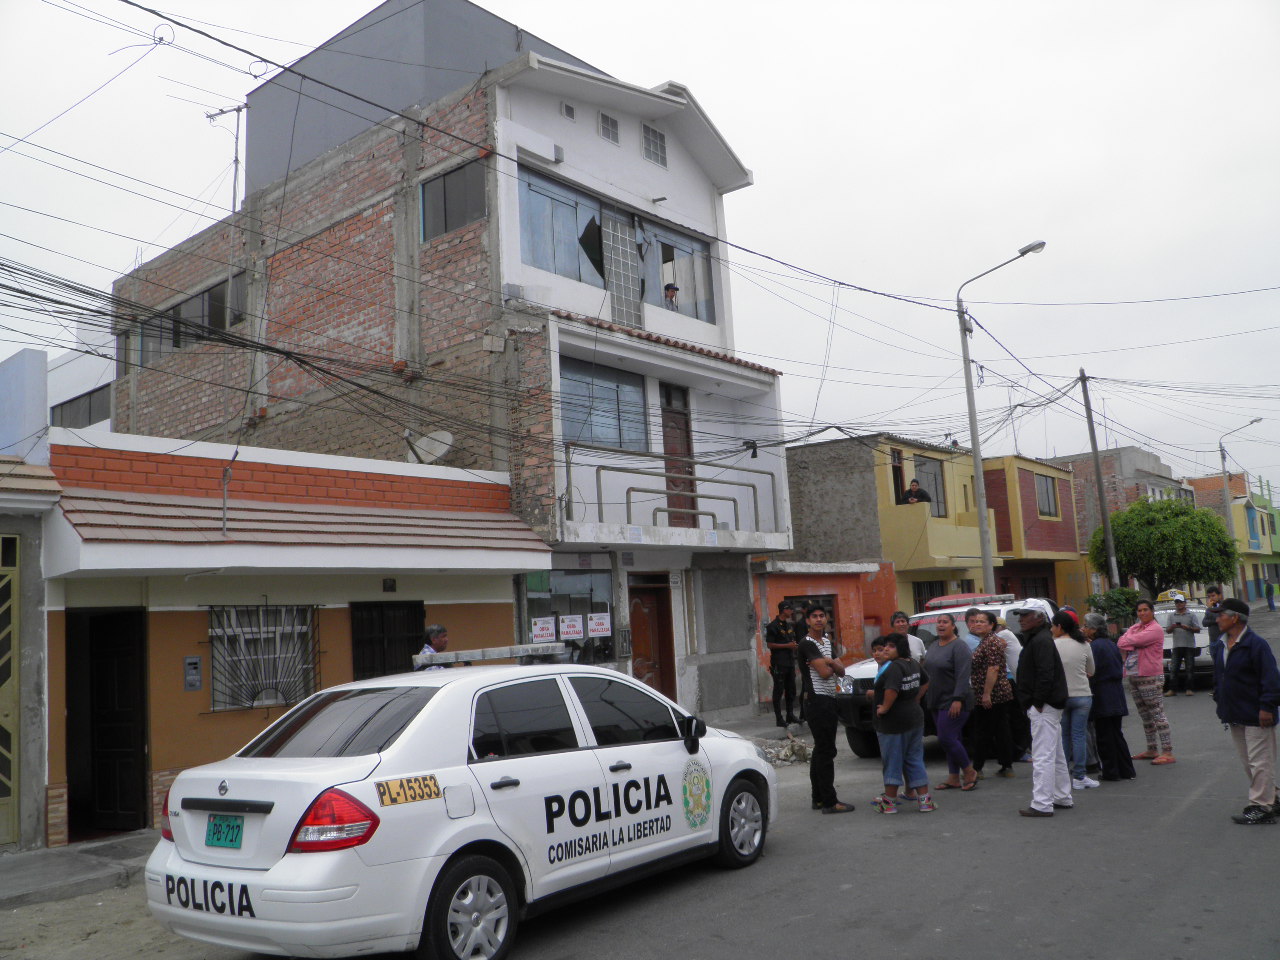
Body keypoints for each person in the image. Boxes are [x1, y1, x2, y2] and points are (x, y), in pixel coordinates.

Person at [1211, 598, 1280, 824]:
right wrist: (1220, 698)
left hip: (1257, 713)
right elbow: (1220, 677)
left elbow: (1270, 679)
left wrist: (1267, 707)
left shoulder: (1255, 644)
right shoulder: (1220, 644)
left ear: (1235, 618)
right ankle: (1273, 797)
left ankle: (1261, 806)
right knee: (1248, 761)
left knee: (1260, 761)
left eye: (1221, 614)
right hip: (1234, 713)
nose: (1217, 618)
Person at [1014, 603, 1071, 817]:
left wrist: (1036, 701)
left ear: (1038, 618)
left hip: (1044, 705)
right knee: (1054, 753)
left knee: (1043, 755)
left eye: (1026, 615)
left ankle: (1042, 803)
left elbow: (1045, 673)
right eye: (1020, 615)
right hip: (1048, 703)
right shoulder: (1040, 639)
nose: (1021, 619)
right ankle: (1061, 796)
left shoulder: (1040, 640)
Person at [798, 606, 853, 814]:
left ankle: (819, 798)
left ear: (827, 618)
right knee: (826, 750)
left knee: (821, 750)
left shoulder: (827, 643)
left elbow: (841, 670)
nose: (819, 619)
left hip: (829, 698)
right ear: (808, 621)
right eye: (814, 617)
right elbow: (823, 673)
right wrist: (830, 663)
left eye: (822, 616)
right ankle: (830, 802)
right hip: (817, 700)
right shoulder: (807, 644)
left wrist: (829, 661)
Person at [869, 634, 933, 814]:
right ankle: (924, 800)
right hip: (914, 718)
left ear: (901, 648)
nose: (886, 649)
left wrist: (884, 708)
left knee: (892, 760)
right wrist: (915, 698)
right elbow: (926, 681)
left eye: (891, 646)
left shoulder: (895, 667)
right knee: (914, 759)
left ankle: (889, 802)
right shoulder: (912, 662)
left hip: (894, 722)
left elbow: (891, 690)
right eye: (885, 646)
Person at [922, 613, 978, 791]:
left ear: (953, 626)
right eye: (938, 622)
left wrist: (957, 699)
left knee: (946, 737)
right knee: (953, 738)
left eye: (945, 622)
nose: (940, 625)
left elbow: (963, 675)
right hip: (936, 700)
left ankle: (969, 771)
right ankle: (953, 777)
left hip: (955, 700)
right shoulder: (933, 645)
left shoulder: (959, 646)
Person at [1118, 599, 1175, 765]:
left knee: (1157, 713)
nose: (1142, 613)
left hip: (1150, 675)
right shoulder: (1136, 628)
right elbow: (1121, 641)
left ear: (1152, 611)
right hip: (1134, 675)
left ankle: (1167, 751)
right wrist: (1130, 639)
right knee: (1145, 715)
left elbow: (1132, 641)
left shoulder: (1155, 629)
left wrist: (1130, 640)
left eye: (1145, 610)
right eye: (1139, 611)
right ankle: (1152, 748)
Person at [1083, 612, 1136, 781]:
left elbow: (1092, 672)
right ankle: (1126, 769)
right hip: (1115, 694)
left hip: (1103, 695)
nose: (1083, 629)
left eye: (1085, 626)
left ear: (1093, 629)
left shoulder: (1096, 647)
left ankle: (1111, 771)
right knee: (1116, 734)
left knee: (1105, 736)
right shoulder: (1109, 644)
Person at [967, 609, 1016, 779]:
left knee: (984, 731)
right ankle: (1006, 765)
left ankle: (978, 768)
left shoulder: (992, 642)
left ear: (991, 625)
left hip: (994, 693)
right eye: (976, 621)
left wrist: (986, 694)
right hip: (991, 692)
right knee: (998, 729)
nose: (977, 624)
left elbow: (993, 669)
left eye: (982, 622)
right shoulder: (986, 641)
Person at [1052, 610, 1096, 789]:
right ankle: (1080, 776)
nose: (1051, 629)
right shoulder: (1084, 644)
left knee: (1064, 736)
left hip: (1061, 696)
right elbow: (1091, 670)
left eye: (1053, 625)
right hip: (1082, 695)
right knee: (1079, 736)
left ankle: (1062, 778)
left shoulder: (1052, 644)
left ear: (1060, 627)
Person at [765, 600, 800, 726]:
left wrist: (793, 646)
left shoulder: (789, 626)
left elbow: (791, 641)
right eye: (790, 609)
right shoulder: (772, 626)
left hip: (790, 662)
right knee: (779, 690)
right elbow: (770, 645)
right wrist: (787, 645)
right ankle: (779, 719)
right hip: (779, 663)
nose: (792, 611)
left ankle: (790, 715)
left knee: (791, 690)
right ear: (784, 610)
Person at [1165, 592, 1201, 696]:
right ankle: (1172, 689)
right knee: (1174, 668)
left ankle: (1189, 688)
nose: (1179, 604)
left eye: (1180, 602)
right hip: (1176, 645)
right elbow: (1168, 630)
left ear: (1185, 603)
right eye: (1177, 602)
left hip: (1189, 645)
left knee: (1189, 668)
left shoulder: (1191, 615)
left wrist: (1188, 628)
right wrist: (1173, 627)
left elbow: (1198, 629)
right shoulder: (1171, 615)